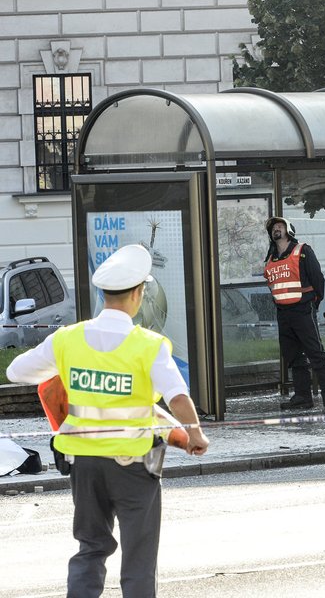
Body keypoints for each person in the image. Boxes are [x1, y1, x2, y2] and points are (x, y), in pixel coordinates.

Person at [6, 244, 209, 597]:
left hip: (84, 465)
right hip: (133, 467)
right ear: (138, 294)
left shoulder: (68, 339)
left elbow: (16, 371)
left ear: (103, 294)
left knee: (91, 549)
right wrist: (195, 435)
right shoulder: (149, 345)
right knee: (139, 560)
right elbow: (177, 397)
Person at [263, 216, 325, 413]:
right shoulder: (271, 257)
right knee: (293, 355)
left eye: (280, 226)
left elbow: (317, 278)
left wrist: (313, 303)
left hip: (303, 310)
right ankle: (302, 396)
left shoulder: (302, 250)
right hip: (283, 313)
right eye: (273, 228)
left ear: (289, 231)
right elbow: (272, 284)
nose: (276, 230)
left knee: (316, 353)